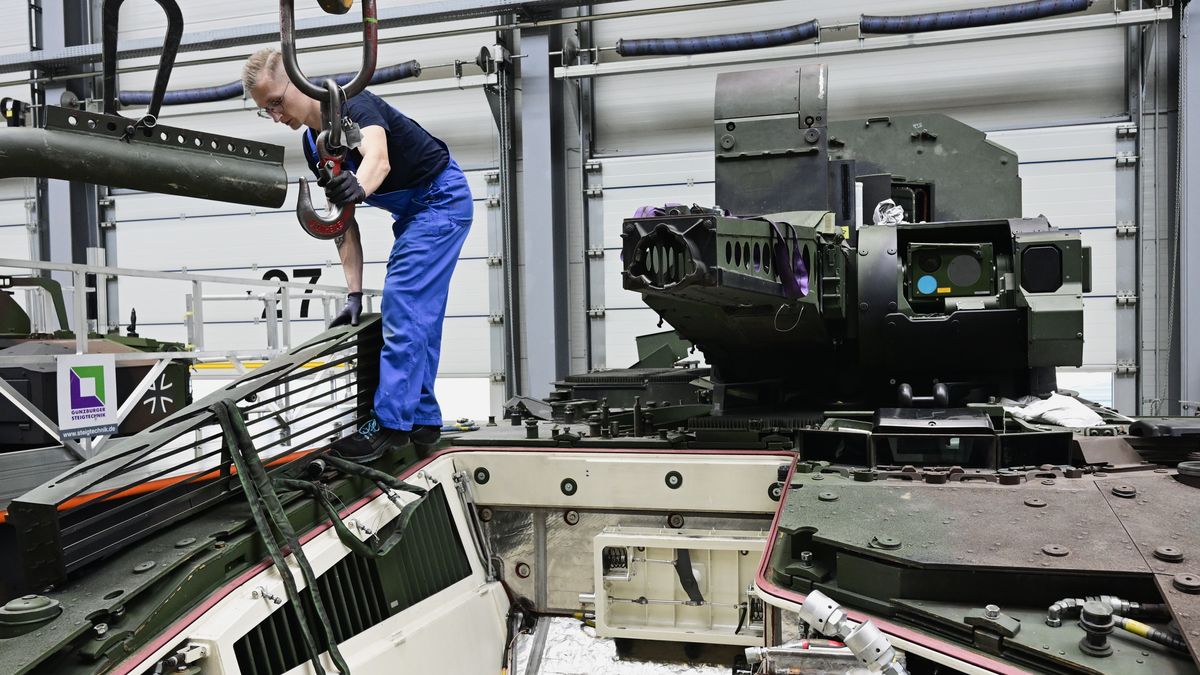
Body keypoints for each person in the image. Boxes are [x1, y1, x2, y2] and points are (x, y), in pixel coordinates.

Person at [242, 47, 472, 460]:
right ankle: (422, 419)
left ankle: (387, 425)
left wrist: (359, 185)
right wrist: (353, 294)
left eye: (276, 102)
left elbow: (377, 160)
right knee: (421, 316)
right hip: (415, 211)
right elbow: (342, 223)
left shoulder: (351, 104)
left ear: (297, 80)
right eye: (266, 111)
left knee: (403, 303)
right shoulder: (315, 145)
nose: (276, 116)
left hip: (441, 200)